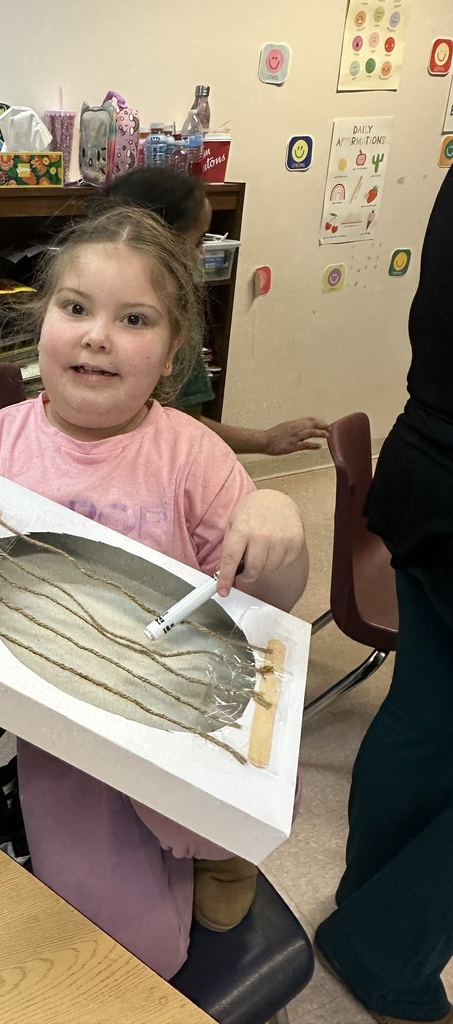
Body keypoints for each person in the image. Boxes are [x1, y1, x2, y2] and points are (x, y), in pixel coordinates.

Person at [0, 205, 309, 981]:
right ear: (42, 322)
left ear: (172, 353)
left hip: (181, 711)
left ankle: (216, 855)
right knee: (132, 959)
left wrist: (278, 520)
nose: (97, 336)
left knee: (241, 811)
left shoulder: (194, 456)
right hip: (63, 733)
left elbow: (274, 607)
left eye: (133, 319)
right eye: (75, 307)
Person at [314, 167, 453, 1024]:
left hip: (428, 470)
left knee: (426, 711)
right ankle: (386, 948)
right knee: (428, 712)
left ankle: (369, 901)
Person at [101, 167, 330, 456]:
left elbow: (181, 422)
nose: (200, 255)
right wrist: (262, 440)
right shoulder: (174, 317)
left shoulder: (174, 318)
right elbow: (184, 422)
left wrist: (264, 441)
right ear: (158, 239)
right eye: (198, 241)